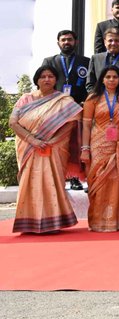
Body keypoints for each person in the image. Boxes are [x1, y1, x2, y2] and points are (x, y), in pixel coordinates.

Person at [10, 65, 82, 234]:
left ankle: (53, 221)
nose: (47, 79)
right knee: (30, 182)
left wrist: (53, 140)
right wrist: (33, 140)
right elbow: (13, 122)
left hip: (54, 147)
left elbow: (71, 123)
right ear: (37, 80)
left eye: (51, 76)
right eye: (43, 76)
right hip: (29, 147)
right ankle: (29, 222)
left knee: (52, 182)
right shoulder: (25, 99)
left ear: (56, 80)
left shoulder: (64, 100)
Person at [82, 66, 119, 231]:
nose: (112, 80)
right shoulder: (93, 98)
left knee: (117, 182)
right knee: (99, 181)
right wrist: (85, 148)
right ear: (102, 79)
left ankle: (116, 220)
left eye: (115, 77)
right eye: (108, 77)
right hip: (99, 145)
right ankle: (98, 221)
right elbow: (86, 125)